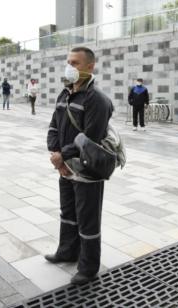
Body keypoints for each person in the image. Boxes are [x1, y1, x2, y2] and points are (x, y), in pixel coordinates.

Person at [46, 46, 113, 285]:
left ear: (90, 66)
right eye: (68, 62)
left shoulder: (98, 100)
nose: (69, 66)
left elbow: (90, 138)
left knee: (88, 219)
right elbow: (54, 126)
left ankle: (88, 267)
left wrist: (61, 157)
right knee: (68, 213)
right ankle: (67, 250)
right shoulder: (64, 94)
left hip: (86, 171)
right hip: (65, 168)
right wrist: (55, 155)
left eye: (75, 63)